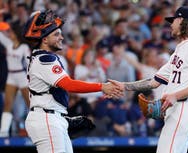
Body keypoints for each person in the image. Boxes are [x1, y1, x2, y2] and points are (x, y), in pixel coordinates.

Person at [109, 6, 188, 153]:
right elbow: (154, 82)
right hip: (176, 109)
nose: (171, 25)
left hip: (184, 107)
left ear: (181, 20)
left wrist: (175, 95)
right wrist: (124, 86)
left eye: (173, 20)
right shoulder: (179, 50)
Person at [22, 10, 122, 153]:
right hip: (46, 118)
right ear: (44, 39)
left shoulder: (42, 57)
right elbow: (68, 84)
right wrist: (102, 87)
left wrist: (62, 117)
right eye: (56, 34)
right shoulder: (45, 59)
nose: (61, 37)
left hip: (52, 117)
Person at [0, 22, 31, 137]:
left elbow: (29, 64)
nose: (9, 33)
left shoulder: (24, 47)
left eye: (11, 32)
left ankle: (35, 129)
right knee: (7, 104)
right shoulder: (8, 44)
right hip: (11, 76)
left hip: (22, 77)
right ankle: (3, 132)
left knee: (30, 105)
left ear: (16, 33)